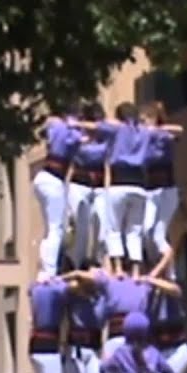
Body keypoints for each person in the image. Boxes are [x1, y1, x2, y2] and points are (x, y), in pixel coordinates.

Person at [72, 103, 151, 275]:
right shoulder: (145, 131)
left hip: (119, 181)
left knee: (113, 229)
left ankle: (119, 268)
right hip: (140, 184)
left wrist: (74, 124)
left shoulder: (117, 129)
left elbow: (94, 126)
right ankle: (136, 271)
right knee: (134, 231)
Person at [34, 108, 82, 278]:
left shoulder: (55, 125)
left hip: (42, 178)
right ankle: (49, 272)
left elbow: (48, 123)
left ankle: (46, 269)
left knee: (50, 229)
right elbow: (80, 141)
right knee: (56, 229)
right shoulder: (74, 133)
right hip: (54, 181)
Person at [138, 101, 184, 275]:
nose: (142, 124)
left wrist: (156, 129)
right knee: (145, 230)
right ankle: (156, 263)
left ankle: (170, 272)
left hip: (167, 191)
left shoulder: (163, 135)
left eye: (145, 120)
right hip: (150, 190)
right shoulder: (142, 139)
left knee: (158, 234)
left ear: (153, 119)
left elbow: (179, 131)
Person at [66, 103, 111, 267]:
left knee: (102, 227)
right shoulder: (78, 138)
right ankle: (77, 265)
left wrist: (108, 189)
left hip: (99, 186)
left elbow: (108, 165)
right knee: (81, 230)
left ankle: (98, 261)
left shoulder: (105, 139)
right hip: (79, 184)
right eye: (96, 119)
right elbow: (70, 165)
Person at [145, 276, 187, 373]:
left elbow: (175, 290)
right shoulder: (151, 297)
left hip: (178, 350)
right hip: (161, 353)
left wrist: (153, 280)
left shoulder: (173, 287)